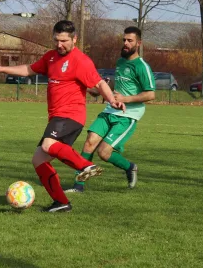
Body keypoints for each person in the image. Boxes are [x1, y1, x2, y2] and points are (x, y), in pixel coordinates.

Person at [0, 20, 124, 213]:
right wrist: (1, 69)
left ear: (74, 39)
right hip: (57, 118)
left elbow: (99, 84)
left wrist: (112, 100)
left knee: (48, 145)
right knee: (38, 160)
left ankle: (85, 165)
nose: (59, 45)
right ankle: (61, 202)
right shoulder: (51, 57)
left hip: (71, 116)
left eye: (64, 41)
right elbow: (29, 70)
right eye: (56, 40)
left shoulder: (80, 60)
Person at [65, 26, 155, 194]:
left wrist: (125, 99)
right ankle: (79, 185)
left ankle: (130, 167)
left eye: (130, 40)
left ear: (139, 43)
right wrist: (102, 89)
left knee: (104, 153)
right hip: (110, 109)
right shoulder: (120, 61)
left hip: (128, 114)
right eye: (124, 40)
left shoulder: (142, 66)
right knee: (90, 141)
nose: (126, 43)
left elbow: (150, 94)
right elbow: (117, 85)